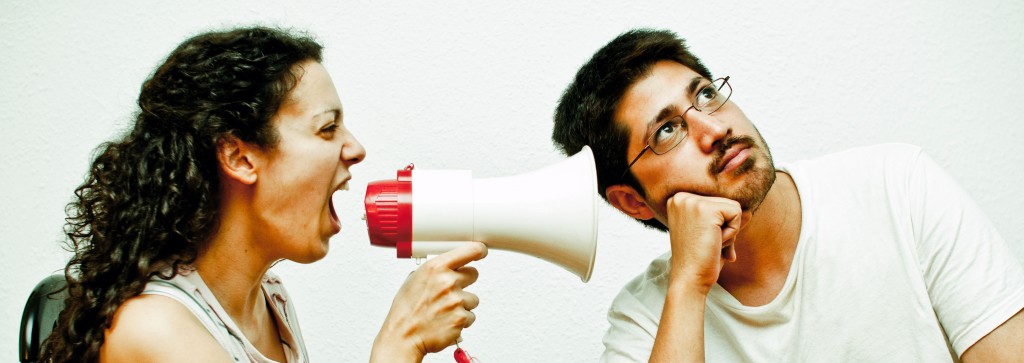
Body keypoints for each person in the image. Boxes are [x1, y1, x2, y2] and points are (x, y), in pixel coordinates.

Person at [552, 28, 1024, 362]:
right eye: (670, 129)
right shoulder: (645, 317)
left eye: (707, 95)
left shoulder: (898, 185)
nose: (715, 128)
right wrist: (689, 287)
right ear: (632, 201)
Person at [41, 26, 487, 363]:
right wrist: (400, 340)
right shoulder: (155, 330)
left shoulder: (268, 299)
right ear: (239, 157)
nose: (355, 148)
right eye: (327, 128)